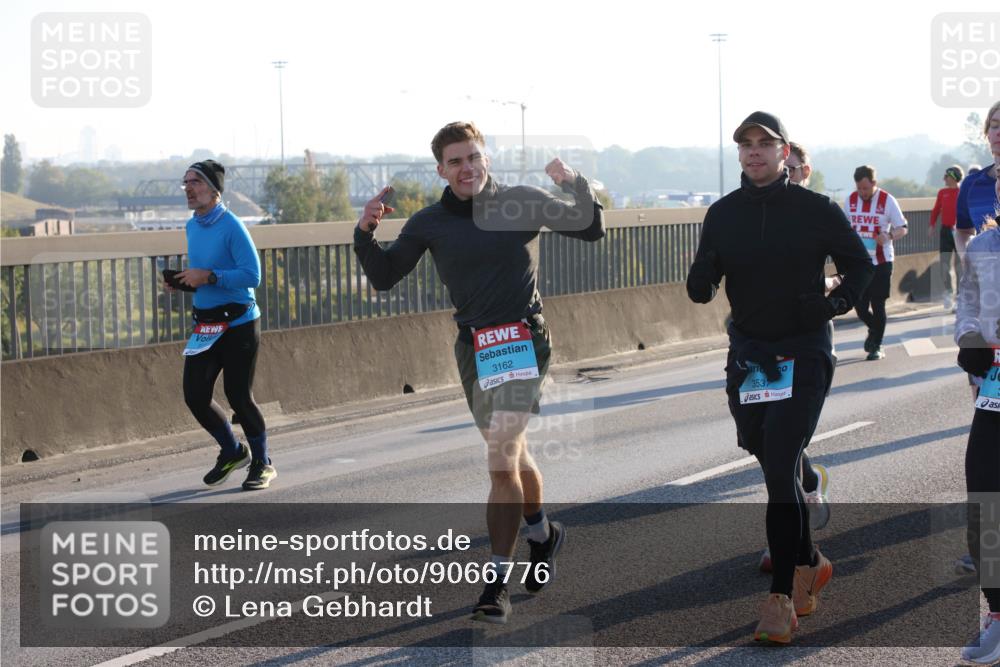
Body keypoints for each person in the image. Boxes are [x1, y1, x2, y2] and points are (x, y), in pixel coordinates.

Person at [353, 121, 605, 624]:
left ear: (486, 157)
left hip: (524, 340)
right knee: (512, 454)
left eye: (473, 157)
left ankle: (496, 584)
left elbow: (591, 227)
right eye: (454, 162)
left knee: (500, 456)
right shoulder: (429, 222)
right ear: (441, 170)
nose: (466, 168)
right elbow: (382, 277)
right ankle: (543, 533)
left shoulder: (523, 200)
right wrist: (365, 230)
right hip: (475, 349)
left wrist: (574, 183)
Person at [687, 111, 873, 643]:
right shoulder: (722, 215)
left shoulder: (815, 209)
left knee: (780, 466)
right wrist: (700, 276)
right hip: (750, 356)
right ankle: (811, 561)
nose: (753, 152)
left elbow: (861, 266)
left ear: (784, 152)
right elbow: (702, 285)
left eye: (764, 143)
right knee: (759, 446)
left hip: (803, 350)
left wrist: (833, 304)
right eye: (744, 145)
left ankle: (780, 603)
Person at [167, 160, 275, 490]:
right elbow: (205, 272)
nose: (188, 188)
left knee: (238, 396)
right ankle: (231, 450)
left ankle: (262, 462)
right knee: (195, 395)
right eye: (185, 182)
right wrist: (187, 281)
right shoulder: (192, 225)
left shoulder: (231, 226)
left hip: (240, 322)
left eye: (195, 182)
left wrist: (210, 276)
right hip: (206, 325)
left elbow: (252, 276)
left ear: (214, 190)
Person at [758, 141, 832, 575]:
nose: (794, 171)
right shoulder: (759, 208)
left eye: (800, 166)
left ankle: (787, 552)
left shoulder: (818, 211)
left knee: (784, 443)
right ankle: (809, 484)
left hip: (809, 341)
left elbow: (849, 263)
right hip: (763, 346)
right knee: (771, 444)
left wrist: (828, 294)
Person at [955, 172, 1000, 665]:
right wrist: (970, 338)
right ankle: (998, 616)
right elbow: (966, 300)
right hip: (996, 390)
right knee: (985, 495)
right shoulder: (985, 244)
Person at [844, 165, 908, 360]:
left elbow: (903, 227)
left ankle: (877, 346)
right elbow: (844, 228)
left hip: (882, 261)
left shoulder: (887, 200)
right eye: (859, 188)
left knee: (878, 304)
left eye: (866, 188)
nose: (862, 193)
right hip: (859, 262)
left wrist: (888, 235)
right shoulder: (850, 200)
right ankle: (874, 329)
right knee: (859, 305)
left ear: (874, 183)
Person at [929, 165, 965, 310]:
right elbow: (936, 209)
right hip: (945, 231)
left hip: (960, 231)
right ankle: (948, 294)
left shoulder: (962, 192)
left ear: (954, 177)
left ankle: (960, 297)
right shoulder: (942, 192)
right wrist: (931, 225)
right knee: (944, 264)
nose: (944, 179)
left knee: (959, 266)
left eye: (947, 176)